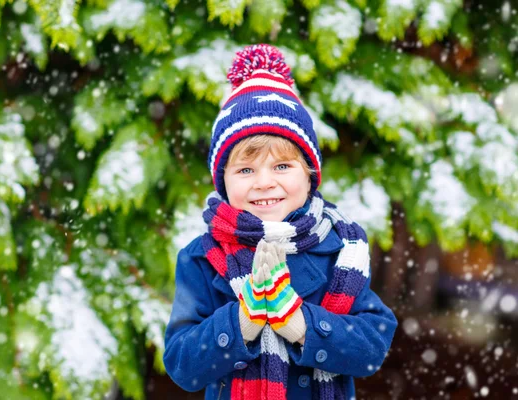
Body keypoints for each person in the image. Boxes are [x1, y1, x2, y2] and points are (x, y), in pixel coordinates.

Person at [163, 43, 398, 400]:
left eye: (282, 166)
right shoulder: (203, 257)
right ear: (223, 181)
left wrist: (303, 325)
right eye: (245, 169)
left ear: (309, 175)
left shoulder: (339, 248)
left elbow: (372, 346)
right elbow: (182, 364)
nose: (264, 182)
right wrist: (242, 322)